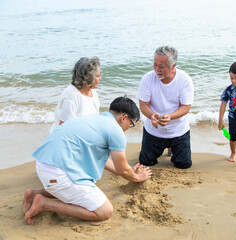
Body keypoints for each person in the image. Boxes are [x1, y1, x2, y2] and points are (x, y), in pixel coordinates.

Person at [22, 97, 152, 225]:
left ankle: (33, 194)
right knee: (104, 211)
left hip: (43, 165)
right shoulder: (115, 130)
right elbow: (123, 169)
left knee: (78, 187)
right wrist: (136, 177)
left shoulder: (93, 119)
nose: (129, 127)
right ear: (124, 117)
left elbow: (116, 166)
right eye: (131, 123)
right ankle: (44, 203)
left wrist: (129, 170)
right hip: (57, 174)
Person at [137, 46, 194, 169]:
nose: (157, 69)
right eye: (155, 64)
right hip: (154, 130)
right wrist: (152, 116)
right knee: (146, 162)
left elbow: (185, 107)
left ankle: (172, 147)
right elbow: (143, 105)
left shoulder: (184, 80)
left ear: (173, 66)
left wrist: (170, 117)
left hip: (178, 130)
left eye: (161, 66)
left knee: (184, 165)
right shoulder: (147, 78)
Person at [50, 57, 101, 133]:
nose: (100, 78)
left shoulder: (92, 91)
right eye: (97, 76)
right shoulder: (71, 96)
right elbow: (63, 129)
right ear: (87, 77)